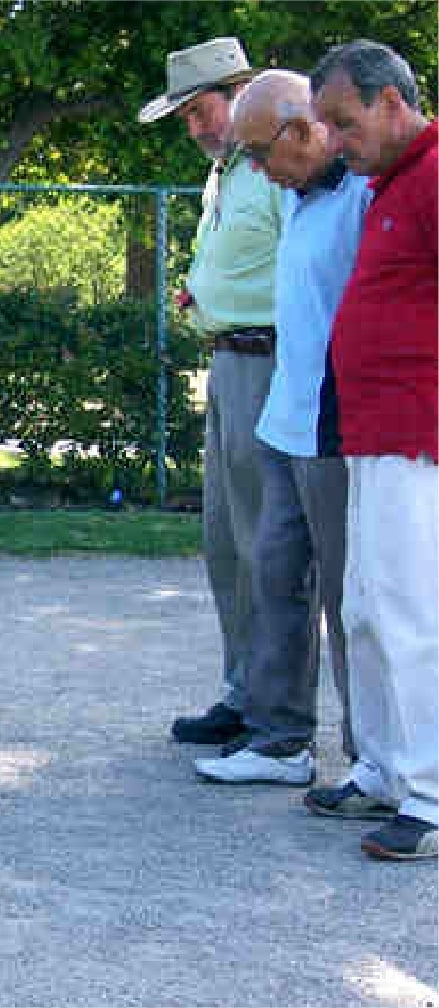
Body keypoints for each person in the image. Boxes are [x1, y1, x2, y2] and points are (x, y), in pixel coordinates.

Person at [191, 70, 370, 786]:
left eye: (261, 151)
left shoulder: (358, 195)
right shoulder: (295, 195)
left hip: (334, 415)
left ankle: (375, 756)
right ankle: (278, 739)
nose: (257, 168)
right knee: (272, 572)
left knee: (349, 589)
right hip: (284, 411)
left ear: (303, 130)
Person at [304, 40, 438, 860]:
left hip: (416, 433)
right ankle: (383, 769)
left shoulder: (433, 175)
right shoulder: (391, 182)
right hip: (372, 433)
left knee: (410, 614)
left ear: (392, 102)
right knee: (361, 609)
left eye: (344, 123)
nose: (334, 141)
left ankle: (428, 793)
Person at [139, 38, 285, 745]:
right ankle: (241, 690)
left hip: (270, 362)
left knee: (270, 546)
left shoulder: (276, 171)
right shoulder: (223, 177)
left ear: (243, 94)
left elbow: (306, 272)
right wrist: (202, 293)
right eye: (186, 115)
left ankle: (275, 714)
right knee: (223, 543)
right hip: (227, 362)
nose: (196, 125)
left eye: (202, 108)